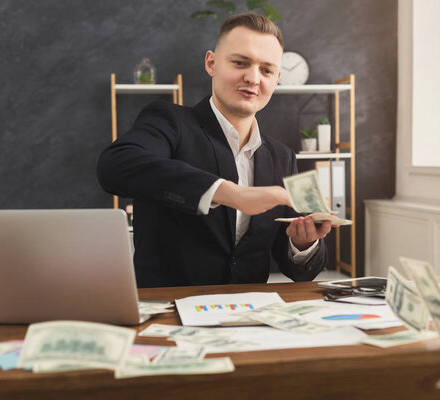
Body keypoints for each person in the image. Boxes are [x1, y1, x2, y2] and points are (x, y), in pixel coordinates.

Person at [97, 13, 333, 288]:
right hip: (169, 311)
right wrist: (232, 194)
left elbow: (301, 272)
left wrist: (302, 243)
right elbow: (115, 165)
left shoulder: (283, 157)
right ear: (211, 63)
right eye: (240, 63)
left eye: (266, 70)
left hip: (249, 315)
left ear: (277, 78)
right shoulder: (169, 120)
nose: (253, 78)